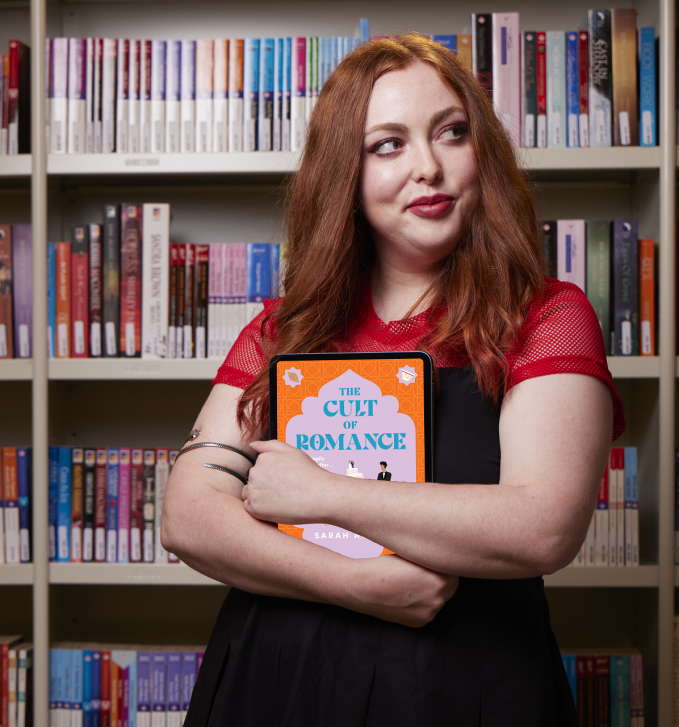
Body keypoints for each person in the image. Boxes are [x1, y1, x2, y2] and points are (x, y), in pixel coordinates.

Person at [161, 35, 622, 726]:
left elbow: (544, 526)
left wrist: (325, 495)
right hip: (277, 685)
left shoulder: (546, 315)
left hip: (464, 689)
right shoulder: (282, 329)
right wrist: (354, 584)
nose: (428, 168)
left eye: (452, 132)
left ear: (482, 152)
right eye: (388, 145)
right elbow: (187, 513)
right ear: (343, 172)